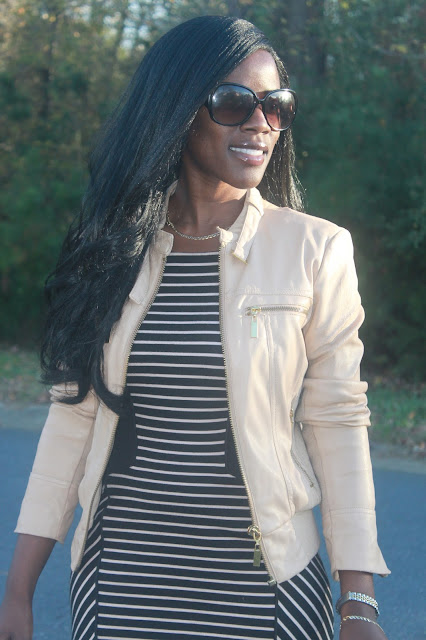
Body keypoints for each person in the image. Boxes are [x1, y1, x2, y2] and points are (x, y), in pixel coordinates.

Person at [0, 15, 390, 640]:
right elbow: (73, 416)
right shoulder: (114, 250)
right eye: (235, 103)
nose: (260, 124)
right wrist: (18, 592)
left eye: (276, 106)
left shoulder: (316, 250)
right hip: (122, 587)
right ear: (177, 110)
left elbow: (337, 421)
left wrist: (358, 601)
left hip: (266, 591)